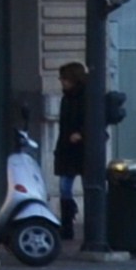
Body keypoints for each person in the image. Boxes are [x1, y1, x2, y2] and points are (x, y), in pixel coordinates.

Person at [54, 62, 93, 237]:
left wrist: (81, 134)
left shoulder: (86, 97)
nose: (62, 82)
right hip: (68, 147)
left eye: (64, 78)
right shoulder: (67, 97)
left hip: (83, 148)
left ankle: (91, 226)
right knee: (64, 187)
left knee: (88, 186)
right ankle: (67, 225)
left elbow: (94, 122)